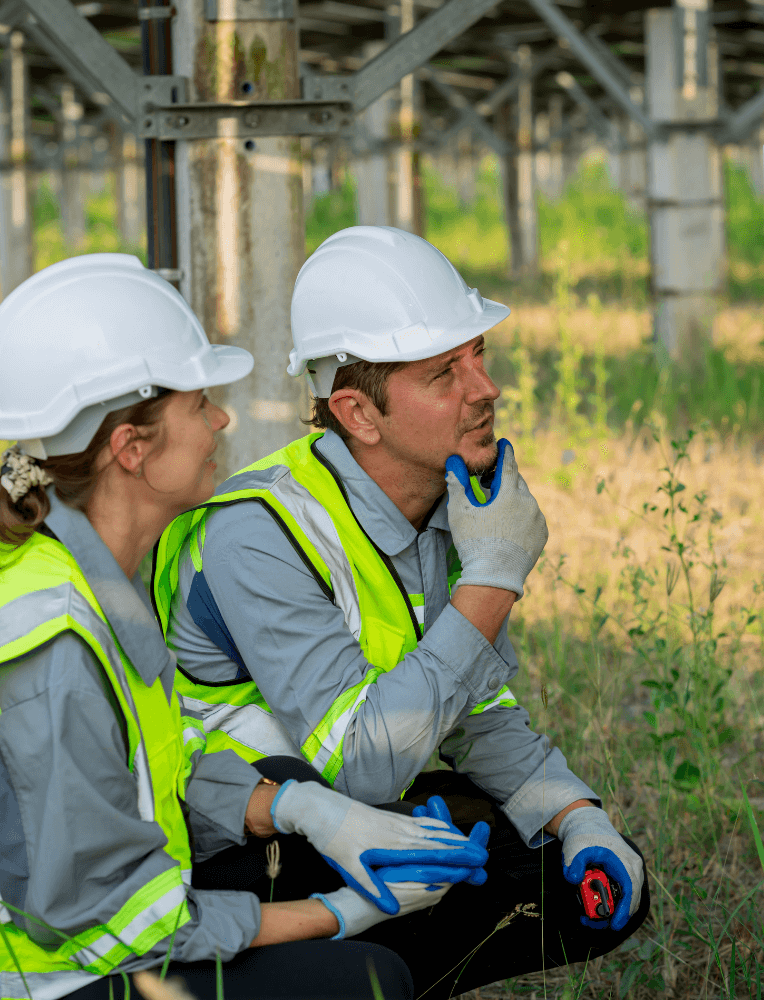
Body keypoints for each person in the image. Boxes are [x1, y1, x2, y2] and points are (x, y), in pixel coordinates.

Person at [154, 226, 650, 998]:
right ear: (357, 412)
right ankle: (342, 980)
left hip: (335, 815)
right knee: (424, 868)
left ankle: (375, 980)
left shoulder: (446, 510)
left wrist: (578, 818)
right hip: (225, 839)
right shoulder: (260, 532)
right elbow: (359, 763)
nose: (484, 389)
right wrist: (490, 582)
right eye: (444, 372)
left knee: (580, 885)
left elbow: (476, 708)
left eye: (479, 355)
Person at [0, 254, 492, 1000]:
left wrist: (291, 807)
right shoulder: (55, 638)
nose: (223, 421)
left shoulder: (88, 573)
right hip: (48, 982)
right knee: (367, 980)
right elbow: (118, 920)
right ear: (133, 449)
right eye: (200, 406)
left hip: (87, 955)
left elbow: (134, 772)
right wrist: (336, 914)